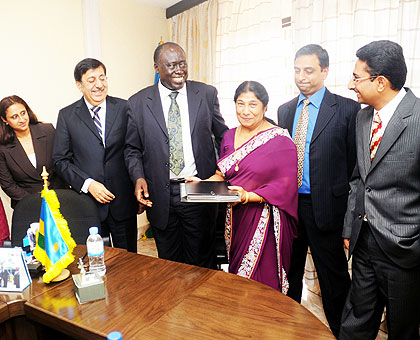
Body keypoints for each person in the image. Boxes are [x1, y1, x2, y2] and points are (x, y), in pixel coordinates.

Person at [277, 44, 360, 338]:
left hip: (328, 208)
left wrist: (351, 217)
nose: (302, 77)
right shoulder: (285, 110)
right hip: (290, 207)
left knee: (334, 280)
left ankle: (342, 333)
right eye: (297, 70)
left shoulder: (348, 109)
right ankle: (288, 329)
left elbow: (356, 169)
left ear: (325, 71)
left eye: (309, 70)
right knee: (288, 274)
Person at [340, 40, 420, 340]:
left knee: (403, 329)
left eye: (357, 78)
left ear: (381, 82)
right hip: (363, 244)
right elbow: (359, 179)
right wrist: (350, 227)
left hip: (406, 250)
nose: (350, 85)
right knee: (356, 323)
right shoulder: (362, 118)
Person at [124, 42, 228, 268]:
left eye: (182, 64)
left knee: (202, 261)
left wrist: (221, 173)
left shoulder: (206, 93)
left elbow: (224, 137)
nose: (179, 70)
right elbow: (131, 148)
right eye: (171, 65)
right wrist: (138, 177)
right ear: (157, 68)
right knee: (170, 265)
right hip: (161, 193)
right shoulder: (137, 102)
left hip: (199, 187)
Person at [188, 81, 298, 291]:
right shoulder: (229, 136)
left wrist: (248, 196)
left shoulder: (280, 140)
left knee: (261, 282)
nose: (245, 111)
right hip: (235, 217)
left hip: (265, 219)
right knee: (239, 276)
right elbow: (222, 174)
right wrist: (201, 184)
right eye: (240, 104)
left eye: (252, 105)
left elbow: (286, 186)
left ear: (265, 107)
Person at [53, 58, 138, 252]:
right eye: (91, 80)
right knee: (97, 260)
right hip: (88, 205)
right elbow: (60, 160)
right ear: (79, 85)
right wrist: (88, 184)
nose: (99, 85)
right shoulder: (67, 115)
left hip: (122, 200)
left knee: (130, 259)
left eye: (102, 78)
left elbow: (135, 149)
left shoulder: (125, 108)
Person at [0, 95, 67, 209]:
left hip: (60, 198)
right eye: (14, 117)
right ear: (4, 120)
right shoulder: (3, 147)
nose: (22, 120)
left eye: (23, 113)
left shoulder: (48, 130)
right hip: (27, 205)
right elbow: (8, 185)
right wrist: (35, 202)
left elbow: (63, 162)